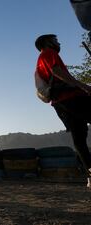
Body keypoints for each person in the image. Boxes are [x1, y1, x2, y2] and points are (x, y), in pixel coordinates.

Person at [35, 34, 91, 188]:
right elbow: (57, 72)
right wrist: (84, 86)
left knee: (79, 137)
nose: (58, 43)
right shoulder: (48, 53)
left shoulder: (40, 61)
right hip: (72, 97)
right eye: (55, 40)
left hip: (60, 104)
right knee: (79, 137)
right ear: (47, 42)